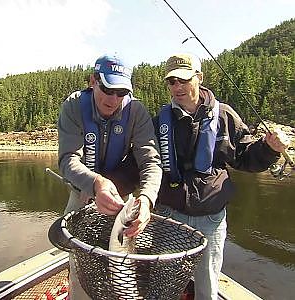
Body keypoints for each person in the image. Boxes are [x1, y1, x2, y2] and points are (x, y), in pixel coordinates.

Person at [153, 53, 289, 300]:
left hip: (211, 219)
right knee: (164, 286)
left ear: (199, 78)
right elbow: (145, 165)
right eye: (172, 81)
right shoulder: (159, 122)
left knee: (207, 288)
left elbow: (246, 156)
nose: (178, 87)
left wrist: (270, 148)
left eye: (184, 79)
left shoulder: (224, 115)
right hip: (169, 216)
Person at [58, 53, 162, 299]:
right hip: (83, 192)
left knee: (123, 266)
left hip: (120, 197)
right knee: (81, 269)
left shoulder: (136, 111)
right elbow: (67, 160)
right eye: (107, 88)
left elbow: (150, 161)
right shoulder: (73, 106)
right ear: (92, 81)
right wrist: (96, 183)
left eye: (122, 92)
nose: (114, 98)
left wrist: (146, 199)